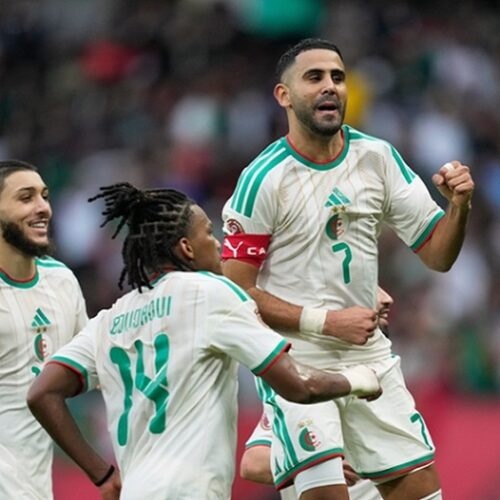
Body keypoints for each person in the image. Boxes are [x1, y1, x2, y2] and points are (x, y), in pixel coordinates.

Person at [222, 38, 474, 500]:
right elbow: (235, 293)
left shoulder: (377, 158)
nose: (330, 87)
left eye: (337, 77)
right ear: (284, 95)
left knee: (422, 490)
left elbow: (439, 256)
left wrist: (458, 206)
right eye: (314, 77)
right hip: (296, 363)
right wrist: (327, 322)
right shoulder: (263, 179)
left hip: (370, 357)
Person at [27, 183, 382, 500]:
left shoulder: (108, 321)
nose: (217, 243)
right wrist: (359, 379)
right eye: (209, 233)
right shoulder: (210, 292)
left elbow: (41, 393)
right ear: (186, 247)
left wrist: (102, 475)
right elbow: (298, 386)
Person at [239, 287, 394, 500]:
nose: (387, 299)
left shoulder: (391, 391)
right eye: (373, 290)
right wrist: (320, 466)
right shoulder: (319, 390)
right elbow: (253, 463)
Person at [0, 160, 88, 500]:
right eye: (26, 197)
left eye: (44, 196)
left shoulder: (61, 281)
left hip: (35, 486)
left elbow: (94, 367)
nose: (43, 208)